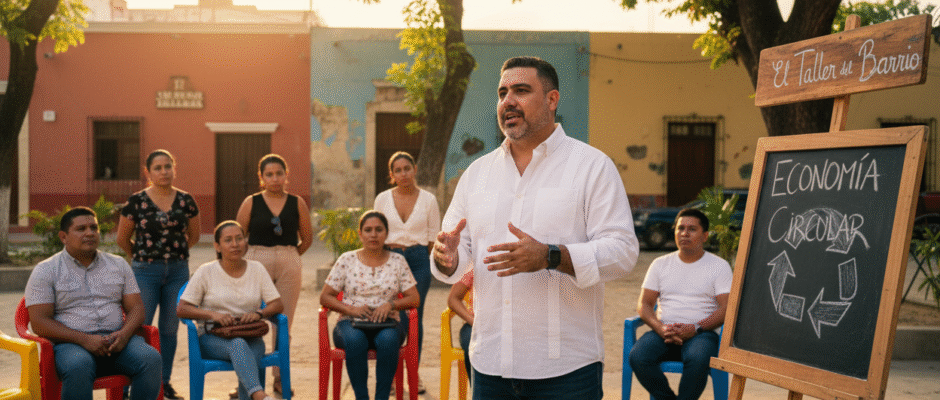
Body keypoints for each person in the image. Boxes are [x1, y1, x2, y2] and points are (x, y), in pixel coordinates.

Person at [430, 56, 639, 398]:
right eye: (502, 93)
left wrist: (551, 256)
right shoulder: (476, 175)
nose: (508, 101)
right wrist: (447, 256)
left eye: (521, 90)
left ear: (552, 99)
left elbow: (623, 253)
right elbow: (452, 262)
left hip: (566, 371)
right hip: (489, 366)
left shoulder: (592, 167)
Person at [25, 207, 162, 400]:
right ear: (63, 236)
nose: (89, 233)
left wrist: (123, 335)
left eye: (94, 227)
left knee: (150, 359)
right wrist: (84, 339)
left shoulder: (118, 264)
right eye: (81, 229)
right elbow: (39, 322)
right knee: (78, 365)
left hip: (118, 341)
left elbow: (137, 309)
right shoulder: (46, 270)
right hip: (72, 345)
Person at [116, 149, 200, 400]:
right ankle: (129, 383)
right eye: (158, 168)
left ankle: (164, 382)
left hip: (177, 271)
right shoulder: (136, 201)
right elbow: (122, 238)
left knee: (170, 328)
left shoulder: (186, 200)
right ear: (148, 172)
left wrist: (173, 254)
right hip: (145, 271)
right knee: (139, 326)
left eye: (168, 167)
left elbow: (193, 236)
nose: (164, 172)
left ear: (174, 168)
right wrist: (142, 258)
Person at [629, 208, 732, 400]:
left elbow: (727, 309)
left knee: (698, 359)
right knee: (638, 356)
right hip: (665, 332)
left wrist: (695, 328)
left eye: (692, 229)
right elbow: (644, 304)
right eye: (680, 228)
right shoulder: (660, 264)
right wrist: (660, 328)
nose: (684, 233)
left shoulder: (719, 266)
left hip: (701, 333)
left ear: (705, 236)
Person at [176, 221, 283, 400]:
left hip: (250, 334)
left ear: (245, 242)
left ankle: (256, 395)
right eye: (228, 240)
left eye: (239, 238)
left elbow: (277, 304)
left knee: (248, 354)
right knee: (238, 345)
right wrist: (213, 315)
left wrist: (259, 314)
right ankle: (259, 395)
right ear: (217, 245)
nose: (235, 244)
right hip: (212, 336)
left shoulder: (256, 269)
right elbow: (182, 309)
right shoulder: (206, 271)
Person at [319, 210, 420, 400]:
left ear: (386, 233)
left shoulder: (398, 261)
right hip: (350, 323)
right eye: (368, 230)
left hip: (387, 323)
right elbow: (325, 297)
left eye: (379, 230)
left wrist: (391, 304)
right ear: (360, 234)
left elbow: (414, 298)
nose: (373, 234)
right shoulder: (346, 260)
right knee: (356, 341)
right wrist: (350, 309)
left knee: (388, 341)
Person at [235, 153, 313, 396]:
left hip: (289, 260)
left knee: (283, 323)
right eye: (269, 174)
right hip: (257, 260)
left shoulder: (297, 202)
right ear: (261, 178)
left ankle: (280, 378)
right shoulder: (251, 202)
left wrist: (290, 255)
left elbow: (307, 237)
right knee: (250, 320)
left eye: (279, 173)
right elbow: (238, 235)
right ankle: (246, 381)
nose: (275, 178)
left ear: (286, 175)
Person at [372, 151, 441, 393]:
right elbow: (376, 231)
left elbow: (434, 237)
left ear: (414, 170)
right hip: (390, 258)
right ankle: (391, 376)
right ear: (392, 175)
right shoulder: (382, 199)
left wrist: (424, 258)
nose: (404, 174)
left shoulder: (429, 200)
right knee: (390, 314)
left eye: (407, 168)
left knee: (413, 316)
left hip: (419, 259)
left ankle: (413, 372)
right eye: (398, 170)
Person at [447, 269, 474, 384]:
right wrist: (474, 322)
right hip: (475, 324)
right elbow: (453, 299)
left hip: (517, 326)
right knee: (472, 344)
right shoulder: (475, 264)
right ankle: (478, 390)